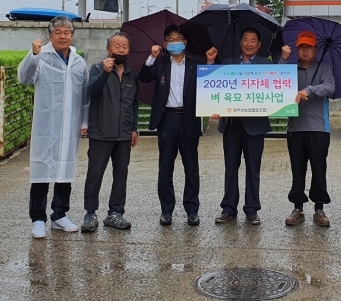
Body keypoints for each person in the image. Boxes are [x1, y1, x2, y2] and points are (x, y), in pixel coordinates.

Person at [18, 16, 89, 239]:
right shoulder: (42, 57)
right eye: (58, 32)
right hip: (46, 125)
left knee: (64, 171)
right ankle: (38, 219)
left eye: (66, 32)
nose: (62, 36)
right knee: (41, 172)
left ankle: (59, 215)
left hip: (70, 125)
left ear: (72, 36)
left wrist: (84, 122)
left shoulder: (78, 62)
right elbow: (24, 78)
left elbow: (85, 96)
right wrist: (34, 54)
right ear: (50, 35)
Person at [139, 25, 218, 227]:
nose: (175, 42)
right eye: (171, 40)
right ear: (165, 44)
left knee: (191, 167)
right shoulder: (159, 63)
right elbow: (144, 78)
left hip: (188, 118)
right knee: (166, 167)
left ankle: (192, 210)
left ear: (185, 42)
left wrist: (210, 62)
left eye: (179, 38)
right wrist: (151, 57)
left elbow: (208, 85)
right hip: (167, 119)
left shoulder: (195, 64)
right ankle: (167, 210)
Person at [80, 31, 140, 233]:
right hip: (101, 132)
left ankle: (116, 213)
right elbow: (92, 93)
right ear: (108, 49)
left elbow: (134, 104)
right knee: (95, 174)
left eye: (124, 46)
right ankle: (90, 213)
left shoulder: (132, 73)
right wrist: (105, 73)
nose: (121, 50)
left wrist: (133, 128)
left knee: (121, 175)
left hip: (124, 134)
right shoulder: (97, 69)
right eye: (117, 46)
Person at [215, 27, 274, 226]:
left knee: (253, 169)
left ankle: (252, 209)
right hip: (231, 124)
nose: (249, 44)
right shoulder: (227, 63)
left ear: (259, 44)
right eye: (246, 40)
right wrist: (213, 107)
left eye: (253, 40)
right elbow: (215, 88)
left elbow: (275, 91)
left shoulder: (266, 65)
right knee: (230, 168)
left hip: (255, 125)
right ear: (240, 42)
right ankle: (228, 208)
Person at [278, 31, 336, 227]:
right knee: (297, 169)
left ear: (315, 50)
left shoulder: (325, 68)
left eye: (308, 47)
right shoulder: (289, 69)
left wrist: (309, 90)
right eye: (301, 46)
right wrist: (283, 60)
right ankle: (297, 207)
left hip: (319, 127)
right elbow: (275, 82)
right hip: (295, 127)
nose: (304, 50)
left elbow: (330, 87)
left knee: (319, 169)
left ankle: (319, 208)